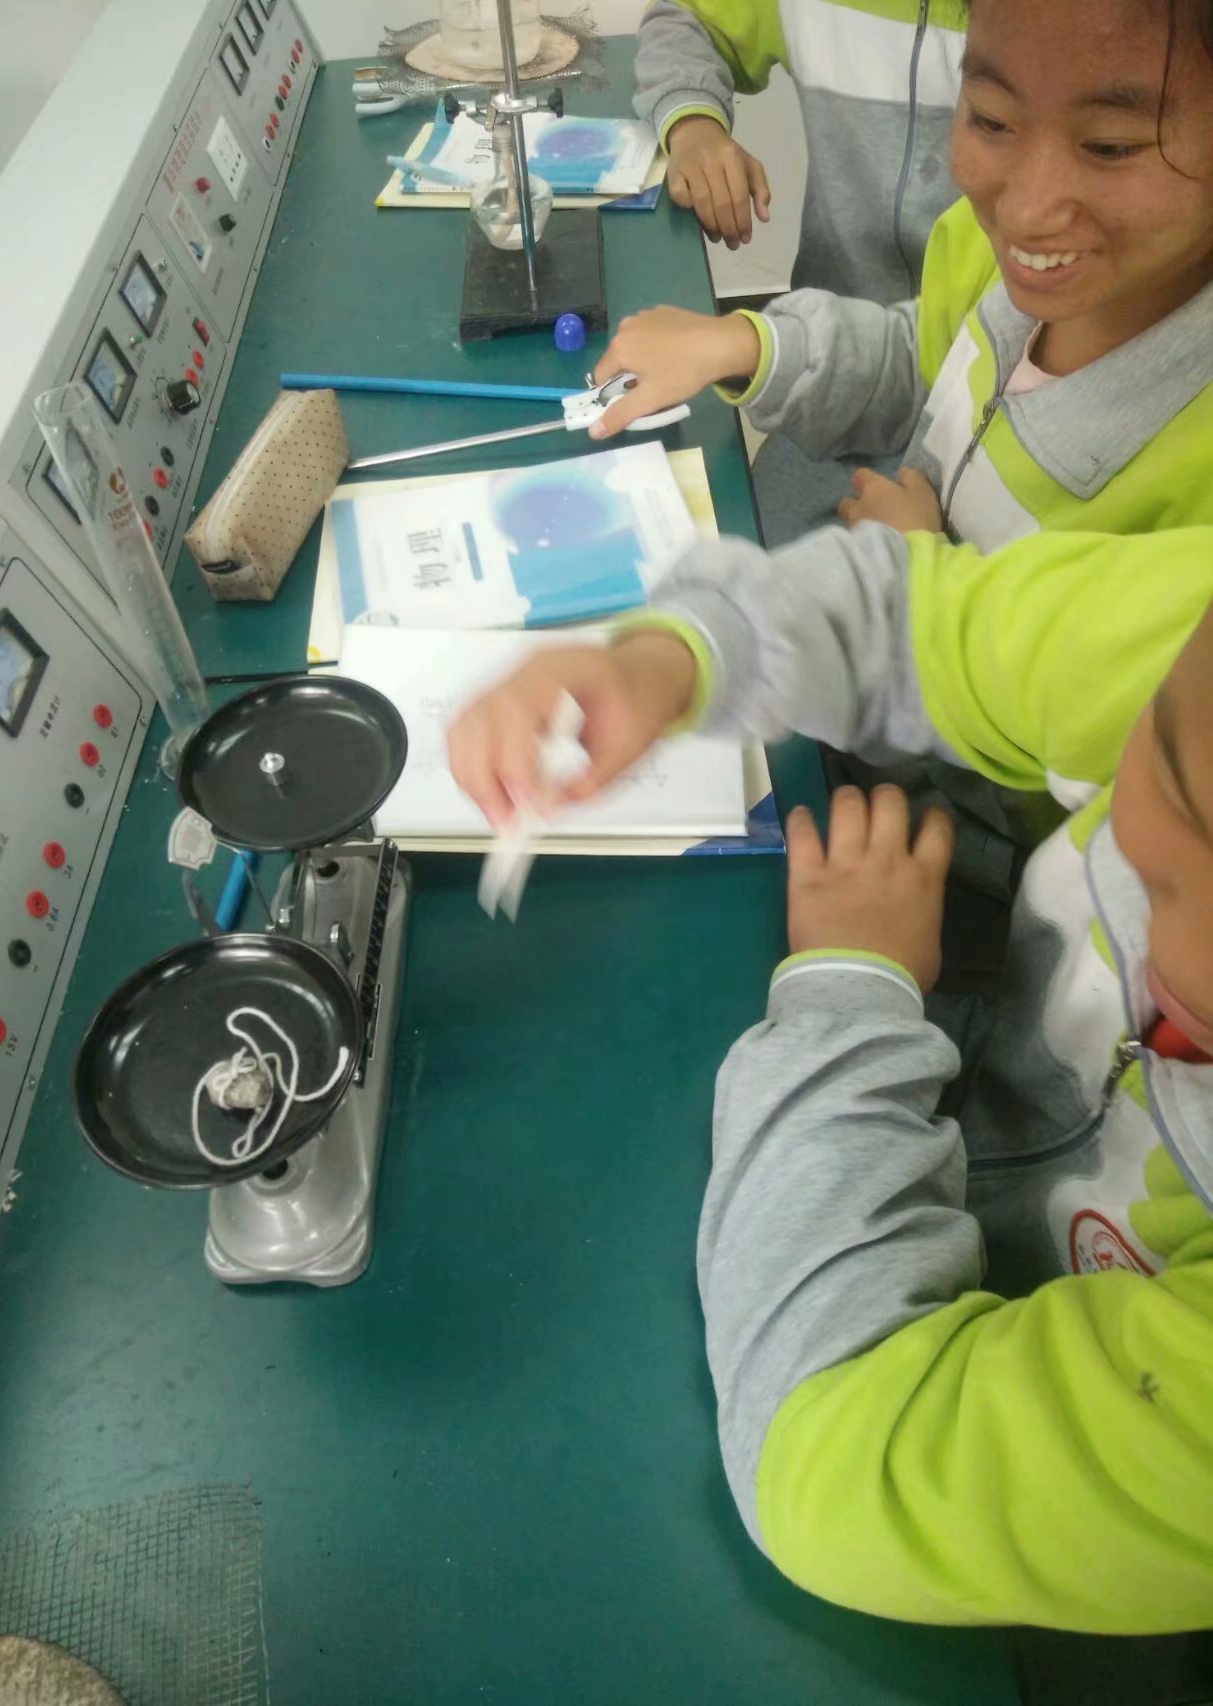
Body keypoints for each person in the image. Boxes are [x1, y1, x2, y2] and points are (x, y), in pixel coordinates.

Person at [448, 526, 1213, 1627]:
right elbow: (906, 618)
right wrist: (673, 656)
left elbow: (838, 1453)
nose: (1136, 868)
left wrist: (851, 990)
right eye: (1164, 787)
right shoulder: (1184, 626)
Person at [612, 0, 1213, 974]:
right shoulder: (986, 248)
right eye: (988, 118)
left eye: (1107, 145)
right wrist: (752, 345)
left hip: (978, 876)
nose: (1025, 206)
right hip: (869, 724)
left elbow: (1105, 761)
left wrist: (918, 565)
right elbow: (931, 352)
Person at [635, 0, 966, 544]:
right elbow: (685, 18)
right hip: (830, 383)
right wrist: (693, 122)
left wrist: (929, 556)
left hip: (981, 424)